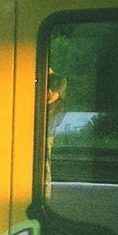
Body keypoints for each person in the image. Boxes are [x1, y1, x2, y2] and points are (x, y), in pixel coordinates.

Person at [44, 71, 67, 199]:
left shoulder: (58, 80)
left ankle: (45, 195)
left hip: (47, 134)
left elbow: (51, 97)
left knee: (45, 164)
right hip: (48, 133)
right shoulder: (59, 83)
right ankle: (45, 194)